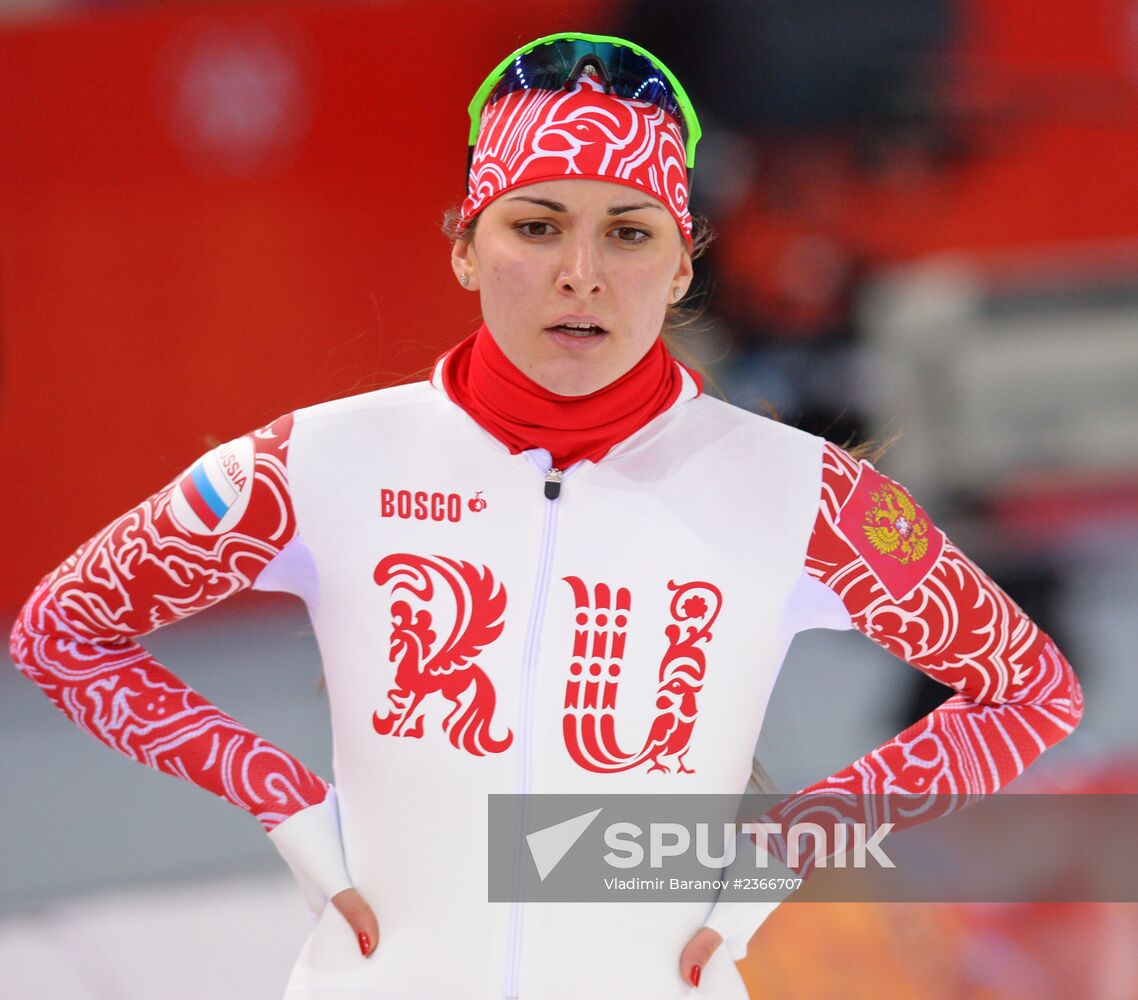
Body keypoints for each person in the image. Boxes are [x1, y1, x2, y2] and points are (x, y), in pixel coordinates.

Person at [9, 32, 1082, 1000]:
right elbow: (62, 630)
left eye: (627, 232)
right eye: (537, 225)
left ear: (680, 266)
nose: (580, 274)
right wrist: (281, 798)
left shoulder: (806, 494)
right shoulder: (315, 463)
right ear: (465, 248)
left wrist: (788, 849)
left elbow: (1027, 692)